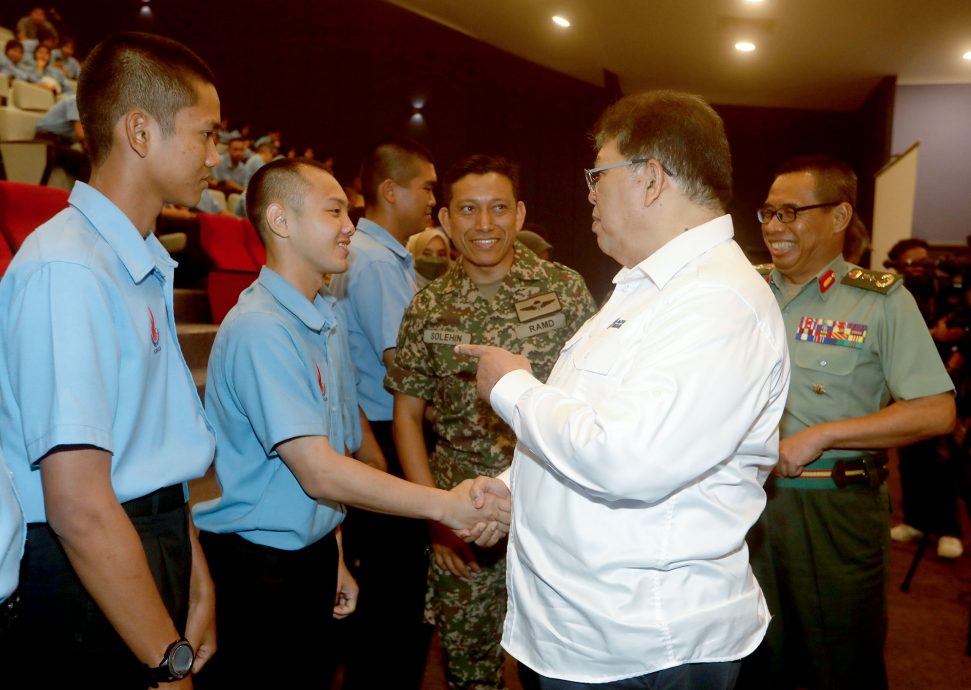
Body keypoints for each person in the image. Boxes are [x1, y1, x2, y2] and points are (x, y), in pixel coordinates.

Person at [458, 90, 790, 689]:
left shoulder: (717, 299)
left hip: (647, 644)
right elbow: (593, 419)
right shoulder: (646, 288)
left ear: (650, 179)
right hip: (590, 632)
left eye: (598, 176)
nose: (589, 193)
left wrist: (511, 386)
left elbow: (631, 458)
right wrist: (513, 486)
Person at [191, 157, 509, 687]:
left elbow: (331, 457)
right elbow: (319, 471)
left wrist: (332, 552)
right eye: (334, 211)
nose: (349, 227)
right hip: (260, 564)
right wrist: (444, 505)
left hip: (307, 551)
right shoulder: (262, 329)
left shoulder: (319, 316)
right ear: (281, 220)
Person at [0, 32, 224, 688]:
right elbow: (79, 507)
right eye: (206, 134)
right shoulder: (69, 267)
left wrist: (193, 567)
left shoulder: (135, 257)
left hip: (147, 535)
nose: (216, 157)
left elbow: (151, 446)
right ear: (140, 131)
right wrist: (167, 661)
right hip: (86, 570)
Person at [741, 155, 956, 690]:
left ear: (839, 217)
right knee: (751, 657)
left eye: (790, 212)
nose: (774, 226)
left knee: (840, 662)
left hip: (834, 510)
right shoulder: (742, 292)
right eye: (768, 212)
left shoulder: (880, 301)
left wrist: (824, 434)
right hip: (744, 508)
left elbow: (936, 409)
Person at [389, 154, 597, 689]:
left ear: (520, 214)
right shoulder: (427, 308)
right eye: (469, 210)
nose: (485, 224)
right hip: (465, 518)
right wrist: (436, 519)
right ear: (444, 219)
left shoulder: (565, 291)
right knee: (470, 670)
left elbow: (595, 398)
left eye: (499, 208)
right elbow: (407, 418)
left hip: (553, 512)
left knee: (560, 666)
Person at [328, 135, 438, 689]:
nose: (434, 199)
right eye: (427, 187)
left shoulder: (386, 257)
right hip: (383, 434)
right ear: (390, 190)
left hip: (385, 427)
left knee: (396, 592)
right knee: (393, 595)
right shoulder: (372, 262)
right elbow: (405, 364)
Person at [883, 238, 964, 558]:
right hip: (904, 384)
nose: (923, 268)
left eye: (925, 261)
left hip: (945, 383)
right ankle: (915, 521)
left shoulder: (947, 291)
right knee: (910, 457)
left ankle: (949, 530)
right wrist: (934, 334)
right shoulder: (894, 295)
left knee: (941, 460)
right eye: (914, 263)